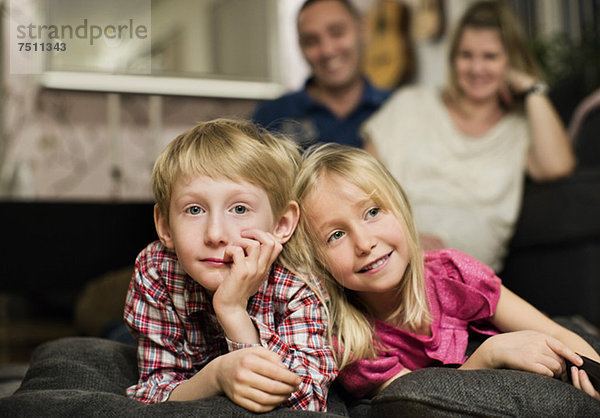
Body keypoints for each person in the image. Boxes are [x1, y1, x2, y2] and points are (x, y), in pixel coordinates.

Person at [293, 143, 600, 401]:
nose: (364, 243)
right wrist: (488, 356)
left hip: (543, 332)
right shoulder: (347, 341)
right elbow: (420, 403)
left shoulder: (453, 272)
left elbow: (555, 333)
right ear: (316, 261)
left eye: (373, 213)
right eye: (335, 235)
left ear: (401, 210)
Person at [123, 119, 337, 413]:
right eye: (194, 209)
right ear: (165, 226)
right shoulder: (157, 269)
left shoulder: (299, 285)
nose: (215, 235)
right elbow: (152, 391)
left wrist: (233, 310)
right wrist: (216, 377)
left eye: (239, 209)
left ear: (281, 224)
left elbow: (307, 403)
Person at [361, 0, 576, 272]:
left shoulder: (519, 130)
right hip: (396, 257)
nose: (476, 68)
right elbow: (361, 185)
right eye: (466, 55)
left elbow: (558, 166)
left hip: (468, 276)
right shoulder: (410, 105)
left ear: (511, 62)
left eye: (490, 57)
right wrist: (406, 238)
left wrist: (532, 89)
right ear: (453, 59)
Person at [252, 0, 390, 149]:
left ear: (363, 29)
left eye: (337, 33)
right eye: (311, 41)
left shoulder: (395, 109)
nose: (327, 50)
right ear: (300, 47)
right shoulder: (270, 118)